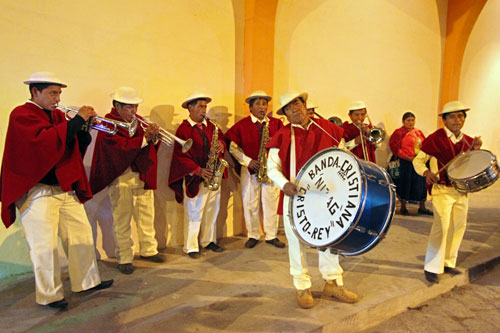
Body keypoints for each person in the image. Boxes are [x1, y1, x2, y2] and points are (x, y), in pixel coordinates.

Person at [0, 72, 113, 310]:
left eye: (59, 92)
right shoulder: (21, 114)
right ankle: (49, 295)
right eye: (53, 92)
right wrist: (75, 121)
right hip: (37, 191)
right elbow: (45, 144)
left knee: (80, 236)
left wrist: (84, 130)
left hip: (63, 189)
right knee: (44, 246)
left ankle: (86, 282)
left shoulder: (58, 116)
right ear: (35, 92)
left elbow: (69, 149)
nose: (57, 97)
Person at [266, 91, 358, 309]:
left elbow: (342, 156)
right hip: (294, 195)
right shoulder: (281, 135)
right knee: (296, 240)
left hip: (325, 196)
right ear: (285, 114)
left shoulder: (327, 128)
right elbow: (272, 168)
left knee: (329, 237)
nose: (294, 110)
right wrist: (283, 184)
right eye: (288, 108)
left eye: (297, 104)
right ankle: (302, 286)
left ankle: (333, 282)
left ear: (305, 105)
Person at [89, 87, 165, 275]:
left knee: (147, 214)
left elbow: (147, 147)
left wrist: (154, 139)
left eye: (135, 107)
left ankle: (149, 250)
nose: (134, 112)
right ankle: (124, 257)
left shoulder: (138, 123)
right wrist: (144, 139)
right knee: (122, 219)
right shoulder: (108, 123)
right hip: (121, 176)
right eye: (129, 107)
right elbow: (116, 149)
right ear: (117, 106)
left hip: (141, 175)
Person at [413, 100, 482, 284]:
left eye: (460, 116)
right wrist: (426, 172)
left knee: (458, 226)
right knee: (441, 227)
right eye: (452, 116)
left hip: (460, 191)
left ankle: (448, 262)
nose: (457, 120)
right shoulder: (434, 139)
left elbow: (470, 165)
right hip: (441, 190)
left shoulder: (468, 141)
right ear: (444, 120)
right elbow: (418, 161)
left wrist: (476, 150)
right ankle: (432, 267)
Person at [224, 91, 285, 249]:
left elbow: (284, 144)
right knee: (250, 203)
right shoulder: (242, 125)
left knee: (271, 202)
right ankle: (253, 235)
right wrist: (248, 161)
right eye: (258, 104)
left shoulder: (276, 124)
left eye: (264, 104)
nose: (262, 107)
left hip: (270, 170)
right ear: (250, 108)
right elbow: (233, 147)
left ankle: (271, 235)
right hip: (250, 170)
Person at [168, 93, 226, 259]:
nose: (203, 110)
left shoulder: (212, 126)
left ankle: (209, 240)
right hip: (196, 177)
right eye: (200, 106)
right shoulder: (184, 129)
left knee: (211, 210)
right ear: (190, 108)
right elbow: (179, 156)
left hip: (213, 175)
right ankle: (191, 246)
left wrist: (220, 145)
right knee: (194, 212)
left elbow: (221, 139)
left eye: (205, 107)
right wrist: (197, 170)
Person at [389, 111, 432, 215]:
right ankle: (403, 207)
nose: (411, 122)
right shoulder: (398, 133)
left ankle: (422, 207)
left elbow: (425, 145)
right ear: (403, 121)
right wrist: (408, 157)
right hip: (405, 163)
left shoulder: (418, 132)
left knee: (421, 184)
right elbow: (395, 148)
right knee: (405, 183)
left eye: (413, 120)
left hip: (418, 162)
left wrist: (422, 158)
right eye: (408, 120)